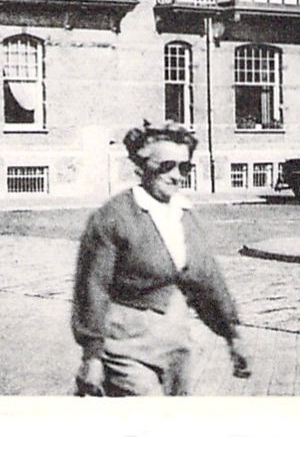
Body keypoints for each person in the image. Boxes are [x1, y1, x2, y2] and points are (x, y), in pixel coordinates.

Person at [71, 122, 250, 397]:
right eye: (167, 166)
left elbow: (207, 279)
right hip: (124, 344)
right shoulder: (113, 217)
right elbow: (93, 287)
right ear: (140, 168)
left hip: (176, 344)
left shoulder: (184, 214)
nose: (178, 176)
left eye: (185, 167)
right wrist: (92, 356)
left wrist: (232, 336)